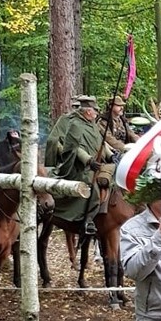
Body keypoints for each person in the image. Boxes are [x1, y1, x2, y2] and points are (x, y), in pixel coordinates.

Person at [52, 95, 117, 235]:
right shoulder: (75, 125)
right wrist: (88, 160)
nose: (97, 113)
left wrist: (111, 155)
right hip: (80, 167)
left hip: (97, 163)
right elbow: (73, 148)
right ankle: (88, 219)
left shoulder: (92, 124)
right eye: (95, 110)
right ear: (88, 111)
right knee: (91, 187)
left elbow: (101, 143)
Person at [44, 97, 79, 168]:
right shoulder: (65, 119)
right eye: (76, 107)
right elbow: (53, 139)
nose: (77, 109)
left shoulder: (90, 123)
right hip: (67, 155)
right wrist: (65, 153)